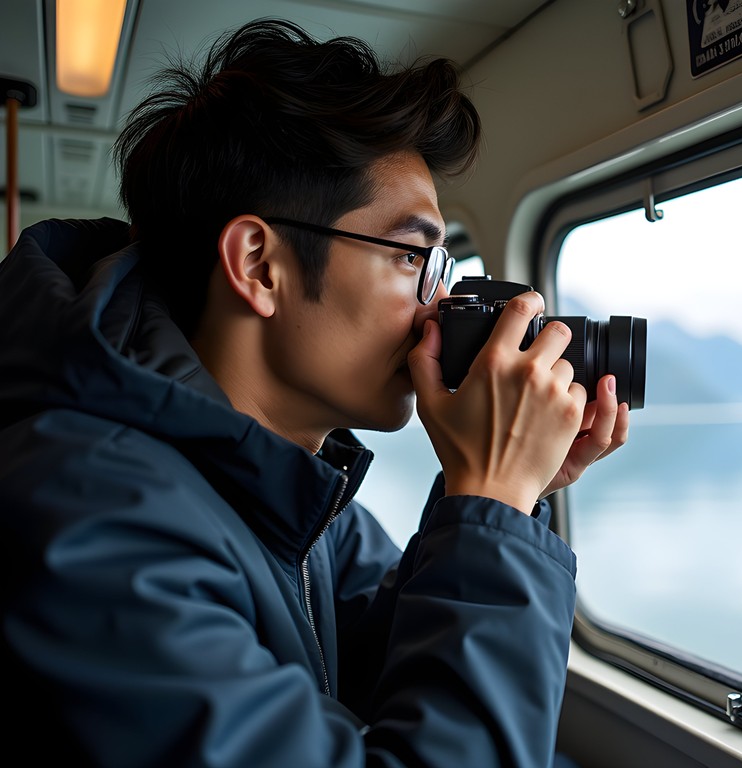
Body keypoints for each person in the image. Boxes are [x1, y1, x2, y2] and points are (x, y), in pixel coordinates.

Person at [0, 17, 628, 768]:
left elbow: (381, 667)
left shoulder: (292, 488)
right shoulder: (89, 519)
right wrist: (488, 499)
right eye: (412, 258)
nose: (440, 307)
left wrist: (513, 498)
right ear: (261, 265)